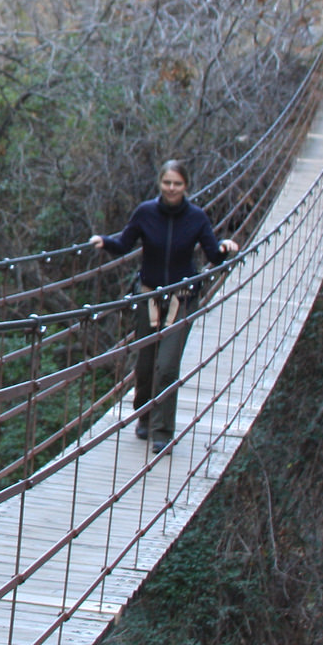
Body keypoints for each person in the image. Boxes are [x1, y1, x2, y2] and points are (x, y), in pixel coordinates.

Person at [94, 160, 240, 455]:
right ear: (160, 183)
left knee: (167, 366)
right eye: (167, 183)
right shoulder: (145, 212)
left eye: (177, 184)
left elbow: (213, 255)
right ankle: (145, 416)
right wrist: (104, 242)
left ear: (186, 186)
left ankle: (163, 432)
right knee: (146, 365)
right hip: (148, 297)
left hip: (181, 299)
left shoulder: (196, 217)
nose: (172, 188)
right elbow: (124, 244)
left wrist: (225, 248)